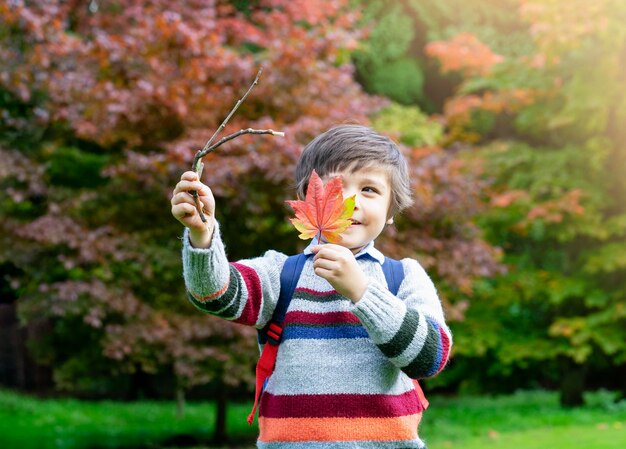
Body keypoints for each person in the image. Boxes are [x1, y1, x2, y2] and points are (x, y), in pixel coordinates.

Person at [171, 124, 452, 449]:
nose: (350, 200)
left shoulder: (403, 276)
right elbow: (215, 295)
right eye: (334, 186)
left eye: (369, 190)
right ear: (308, 197)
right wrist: (202, 236)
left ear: (391, 211)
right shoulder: (281, 274)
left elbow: (430, 357)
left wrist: (361, 291)